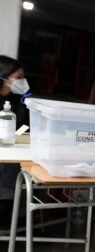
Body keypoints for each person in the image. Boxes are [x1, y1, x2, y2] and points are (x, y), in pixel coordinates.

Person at [0, 56, 30, 223]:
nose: (23, 81)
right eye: (18, 77)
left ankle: (12, 215)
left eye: (23, 77)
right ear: (4, 76)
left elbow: (26, 127)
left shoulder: (18, 101)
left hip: (14, 152)